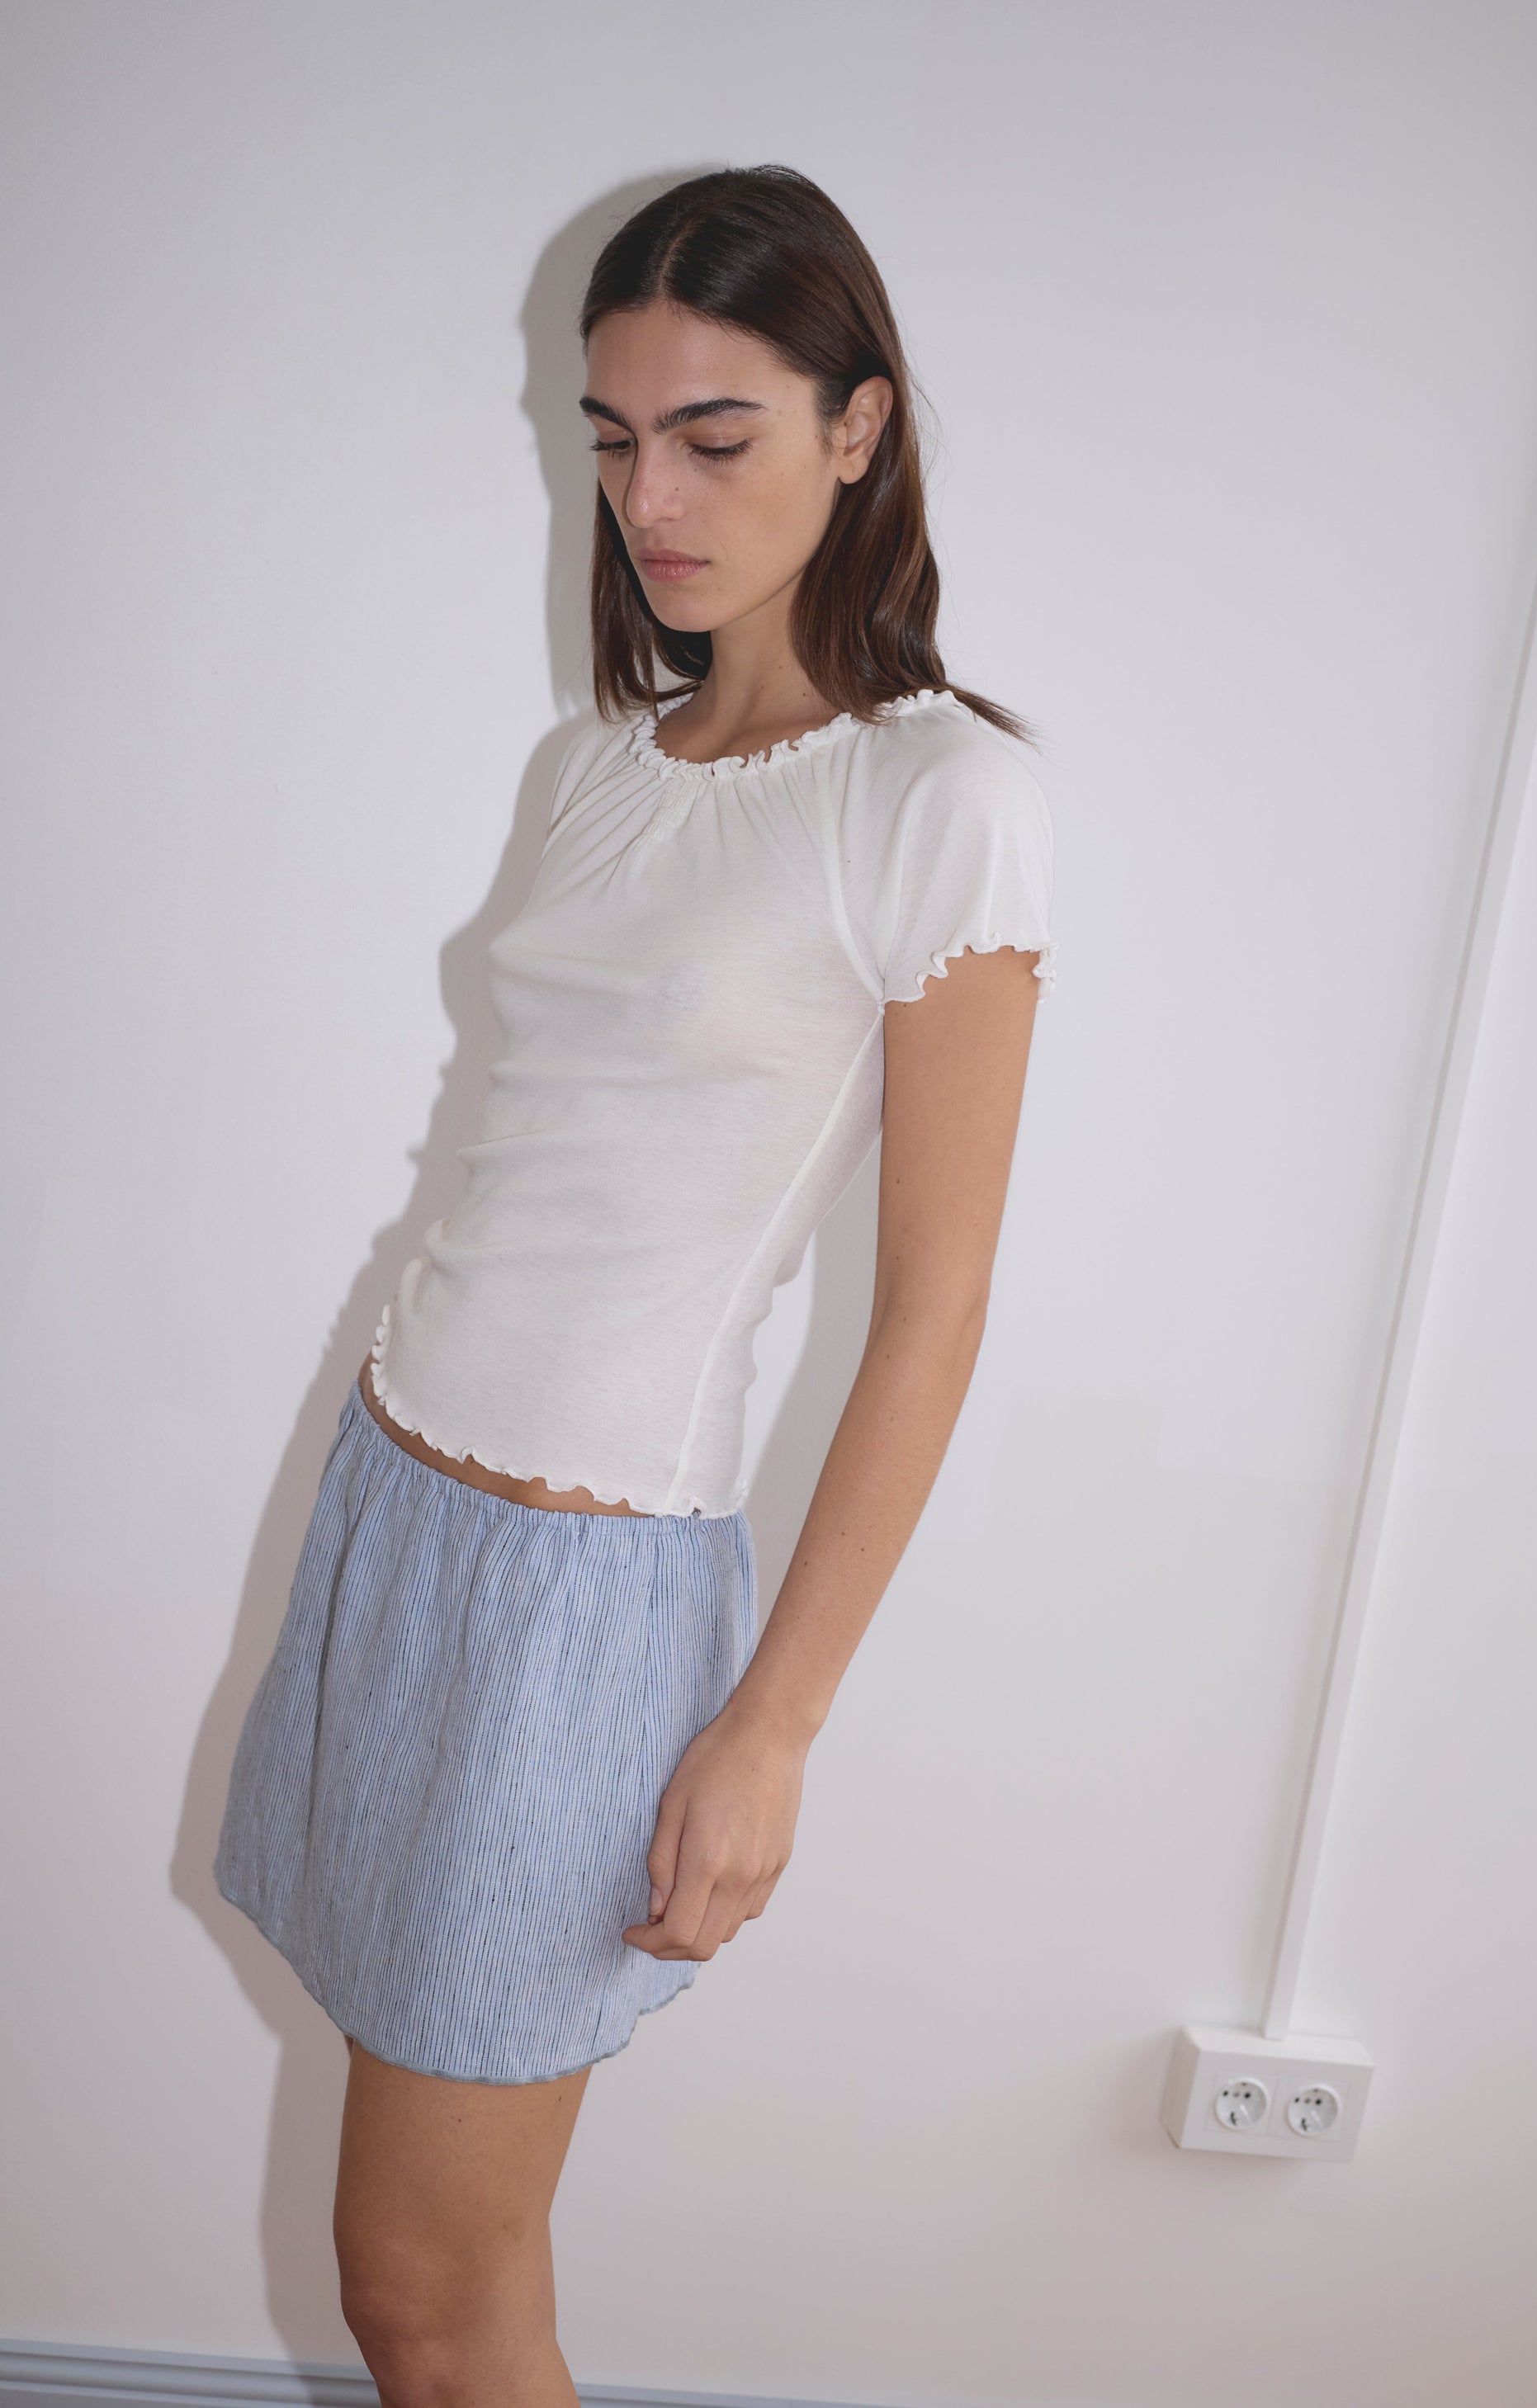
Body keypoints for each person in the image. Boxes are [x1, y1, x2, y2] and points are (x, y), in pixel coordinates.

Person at [214, 164, 1056, 2407]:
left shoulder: (933, 796)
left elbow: (933, 1307)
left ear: (857, 428)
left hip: (590, 1595)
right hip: (402, 1498)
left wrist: (767, 1723)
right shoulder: (596, 764)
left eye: (716, 436)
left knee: (419, 2281)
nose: (647, 498)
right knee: (417, 2262)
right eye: (608, 438)